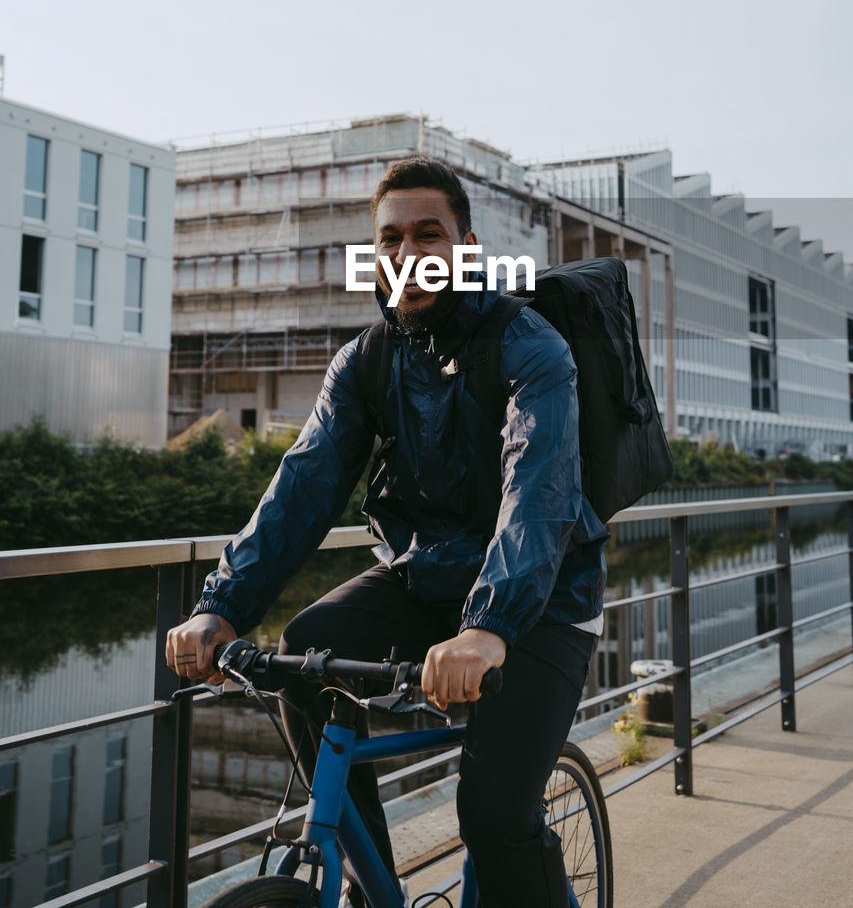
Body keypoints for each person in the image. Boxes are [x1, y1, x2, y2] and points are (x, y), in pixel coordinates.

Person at [166, 156, 609, 908]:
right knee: (304, 652)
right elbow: (301, 488)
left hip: (540, 602)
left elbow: (537, 493)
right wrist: (222, 604)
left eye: (427, 235)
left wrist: (489, 626)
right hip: (425, 579)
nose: (406, 255)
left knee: (495, 816)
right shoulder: (364, 362)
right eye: (390, 239)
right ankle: (373, 886)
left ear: (467, 250)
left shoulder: (530, 348)